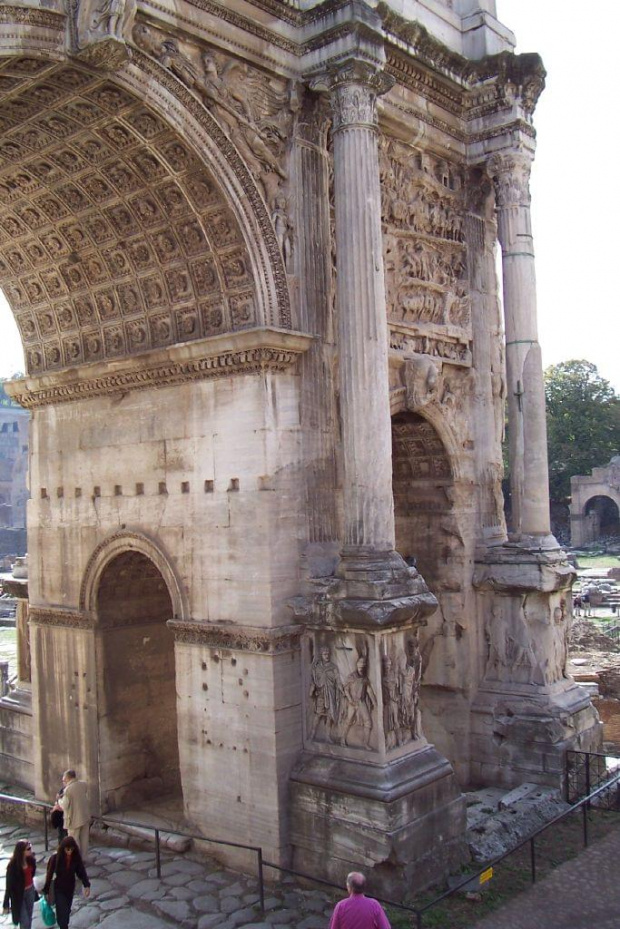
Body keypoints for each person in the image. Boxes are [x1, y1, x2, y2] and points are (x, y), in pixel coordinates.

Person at [43, 837, 90, 929]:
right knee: (62, 910)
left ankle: (64, 924)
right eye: (67, 849)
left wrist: (86, 885)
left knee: (67, 910)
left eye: (72, 849)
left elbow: (81, 871)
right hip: (58, 888)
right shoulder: (55, 858)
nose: (69, 851)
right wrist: (46, 890)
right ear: (63, 848)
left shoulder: (75, 858)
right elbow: (49, 874)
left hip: (69, 888)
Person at [2, 839, 37, 928]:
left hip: (30, 891)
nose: (30, 850)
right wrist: (6, 904)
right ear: (21, 851)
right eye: (28, 849)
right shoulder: (13, 866)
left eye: (30, 848)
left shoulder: (31, 860)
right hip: (18, 895)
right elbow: (9, 885)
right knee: (24, 920)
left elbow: (32, 874)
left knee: (29, 917)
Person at [58, 770, 90, 857]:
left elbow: (64, 805)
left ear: (68, 778)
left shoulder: (68, 790)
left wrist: (59, 800)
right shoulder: (83, 784)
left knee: (73, 840)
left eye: (64, 780)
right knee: (84, 839)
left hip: (73, 818)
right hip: (85, 816)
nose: (63, 781)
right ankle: (84, 857)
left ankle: (77, 859)